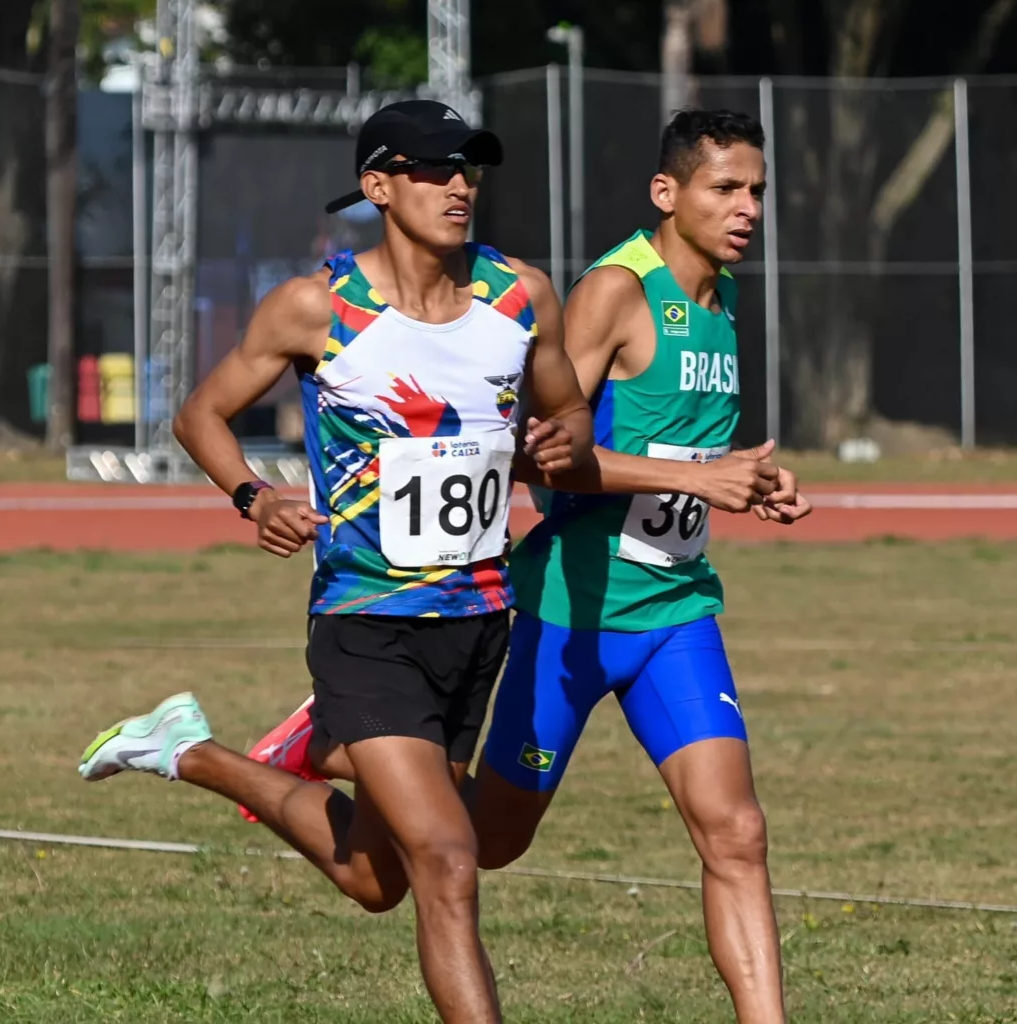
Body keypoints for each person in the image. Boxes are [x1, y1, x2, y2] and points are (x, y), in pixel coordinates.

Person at [76, 99, 593, 1024]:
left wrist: (560, 443)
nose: (459, 185)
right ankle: (329, 734)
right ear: (379, 185)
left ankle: (187, 750)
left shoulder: (523, 296)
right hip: (366, 627)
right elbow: (200, 414)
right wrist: (253, 496)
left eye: (467, 168)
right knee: (447, 855)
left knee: (373, 875)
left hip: (479, 624)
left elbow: (569, 411)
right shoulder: (321, 306)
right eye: (435, 169)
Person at [471, 109, 811, 1024]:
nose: (748, 209)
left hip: (676, 614)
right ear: (667, 193)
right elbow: (540, 451)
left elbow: (674, 442)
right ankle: (339, 748)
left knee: (736, 834)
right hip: (573, 615)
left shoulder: (721, 298)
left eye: (758, 192)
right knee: (488, 843)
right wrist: (703, 474)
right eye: (726, 189)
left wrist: (751, 479)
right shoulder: (616, 291)